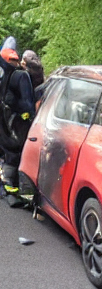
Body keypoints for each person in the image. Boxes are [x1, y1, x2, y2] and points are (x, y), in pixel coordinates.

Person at [0, 37, 36, 202]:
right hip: (17, 126)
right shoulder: (21, 77)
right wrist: (28, 116)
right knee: (21, 154)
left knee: (10, 155)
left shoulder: (4, 76)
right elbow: (28, 105)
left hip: (6, 126)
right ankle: (25, 194)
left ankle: (8, 185)